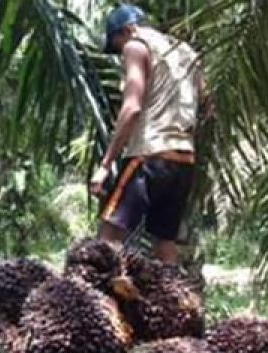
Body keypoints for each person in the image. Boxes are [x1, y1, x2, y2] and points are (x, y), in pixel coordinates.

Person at [88, 4, 206, 266]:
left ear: (128, 30)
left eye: (118, 46)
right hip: (183, 159)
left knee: (109, 235)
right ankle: (180, 303)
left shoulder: (136, 46)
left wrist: (106, 165)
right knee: (165, 243)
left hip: (150, 154)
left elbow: (132, 107)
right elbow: (208, 104)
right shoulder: (186, 52)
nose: (121, 53)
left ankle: (94, 300)